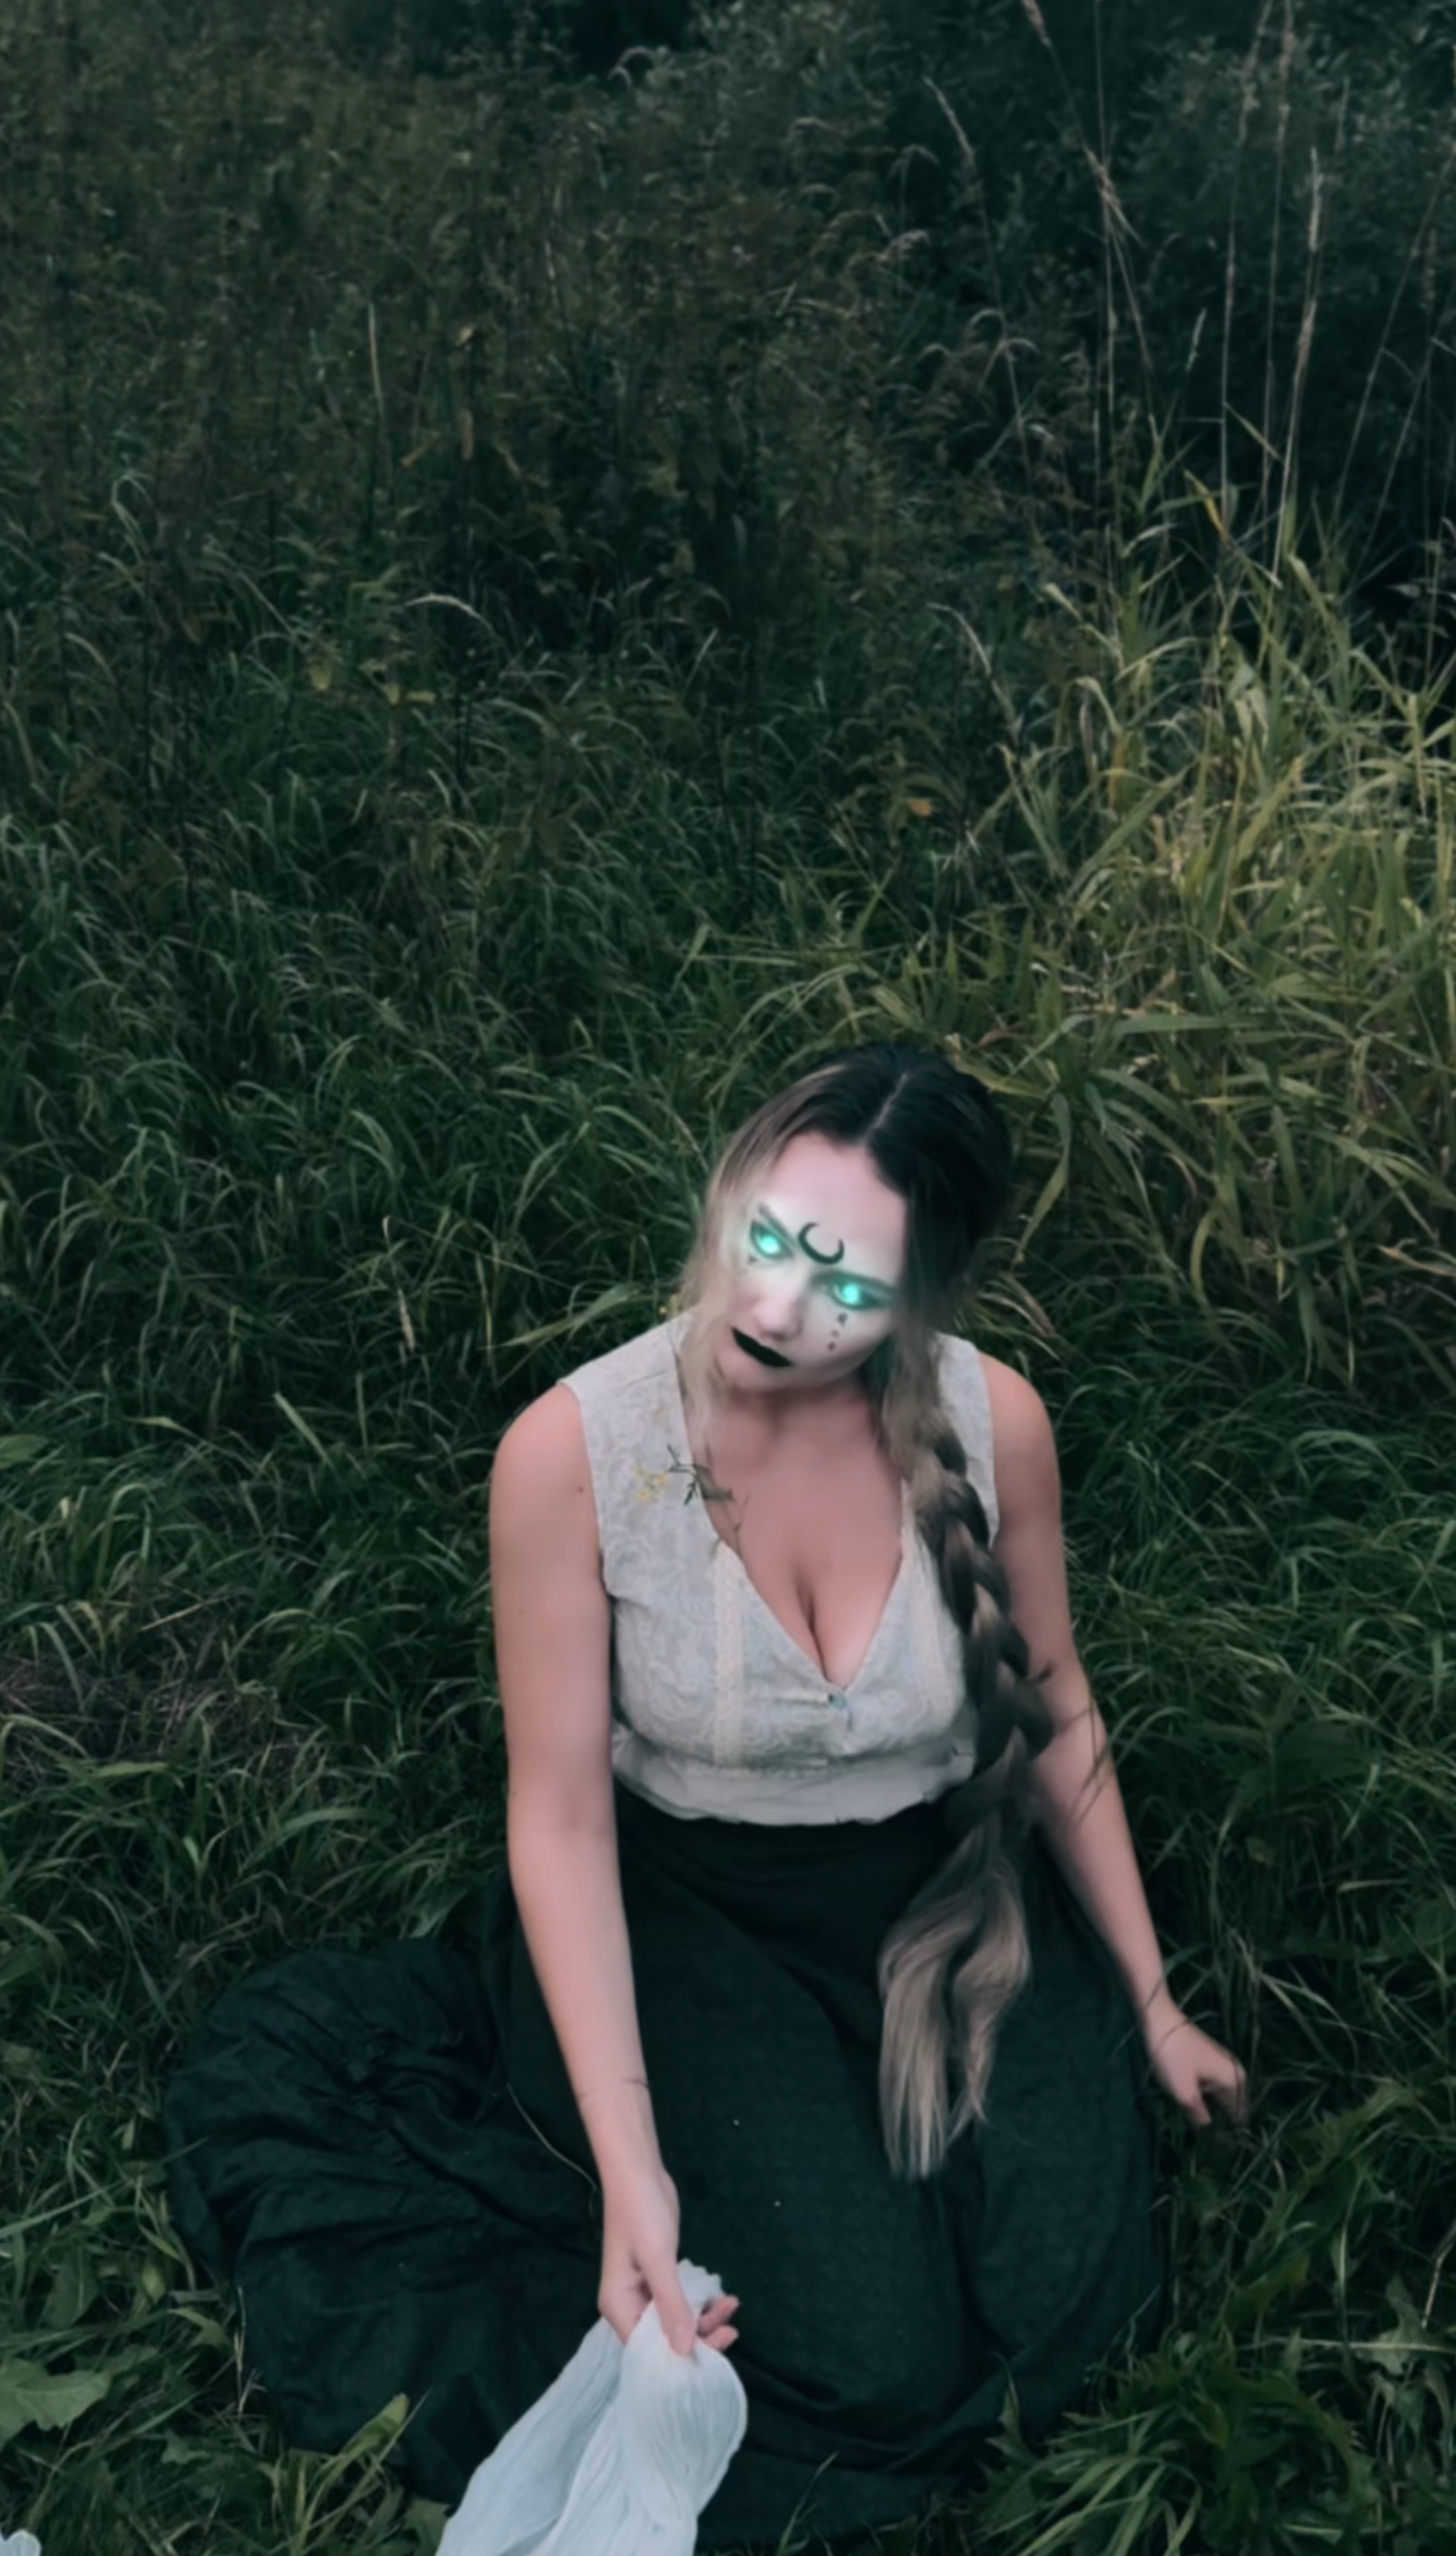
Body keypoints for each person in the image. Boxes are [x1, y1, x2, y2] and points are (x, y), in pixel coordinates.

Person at [165, 1042, 1247, 2553]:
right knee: (871, 2364)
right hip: (691, 1906)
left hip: (939, 1891)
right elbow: (558, 1819)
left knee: (1062, 2303)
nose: (777, 1307)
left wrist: (1153, 2001)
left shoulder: (992, 1419)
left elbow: (1051, 1701)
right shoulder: (575, 1453)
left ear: (922, 1296)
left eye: (845, 1282)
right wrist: (633, 2172)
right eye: (766, 1237)